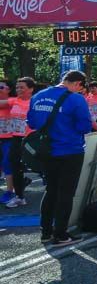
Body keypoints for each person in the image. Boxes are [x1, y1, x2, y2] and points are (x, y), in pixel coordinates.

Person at [27, 71, 93, 245]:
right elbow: (85, 127)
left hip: (46, 151)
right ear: (78, 83)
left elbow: (32, 123)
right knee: (65, 193)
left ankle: (45, 232)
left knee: (50, 190)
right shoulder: (76, 99)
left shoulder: (38, 96)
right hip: (70, 150)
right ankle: (61, 234)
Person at [0, 78, 34, 207]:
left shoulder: (34, 102)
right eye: (17, 87)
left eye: (22, 87)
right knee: (15, 167)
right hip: (16, 138)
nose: (19, 90)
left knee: (41, 166)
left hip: (31, 139)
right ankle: (20, 197)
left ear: (30, 89)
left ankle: (52, 190)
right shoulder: (14, 101)